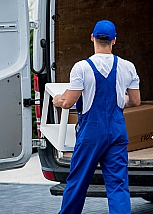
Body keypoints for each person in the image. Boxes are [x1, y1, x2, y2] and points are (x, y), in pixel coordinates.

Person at [52, 20, 141, 214]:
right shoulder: (128, 67)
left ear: (92, 37)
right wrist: (118, 98)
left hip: (91, 132)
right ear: (114, 40)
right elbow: (135, 101)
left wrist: (58, 100)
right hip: (117, 130)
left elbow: (68, 102)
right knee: (118, 186)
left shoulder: (81, 68)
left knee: (78, 182)